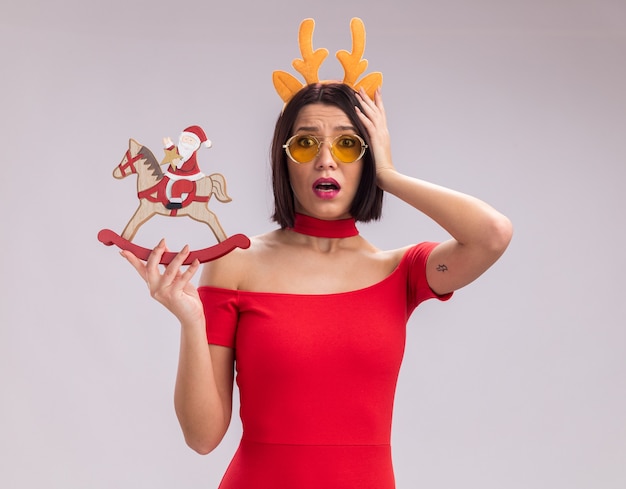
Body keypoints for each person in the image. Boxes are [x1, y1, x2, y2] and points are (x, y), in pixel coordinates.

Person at [122, 83, 512, 488]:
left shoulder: (401, 272)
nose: (326, 161)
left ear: (368, 157)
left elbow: (492, 234)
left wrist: (389, 175)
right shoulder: (233, 264)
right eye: (306, 143)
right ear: (284, 158)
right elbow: (202, 438)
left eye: (347, 145)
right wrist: (190, 321)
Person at [162, 125, 213, 209]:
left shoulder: (191, 154)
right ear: (181, 138)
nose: (187, 142)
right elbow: (173, 153)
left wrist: (178, 162)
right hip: (173, 173)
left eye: (191, 140)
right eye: (186, 139)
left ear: (196, 144)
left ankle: (176, 202)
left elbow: (188, 167)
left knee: (178, 185)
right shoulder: (179, 149)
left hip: (188, 175)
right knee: (163, 181)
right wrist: (168, 144)